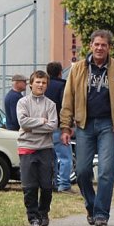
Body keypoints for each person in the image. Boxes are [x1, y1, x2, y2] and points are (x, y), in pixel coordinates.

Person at [60, 30, 114, 226]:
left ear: (109, 47)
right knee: (82, 171)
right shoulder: (78, 69)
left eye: (104, 45)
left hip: (108, 125)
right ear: (90, 46)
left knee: (106, 171)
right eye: (96, 44)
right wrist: (65, 127)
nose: (100, 48)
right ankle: (91, 205)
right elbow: (68, 99)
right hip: (84, 125)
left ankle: (101, 214)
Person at [16, 70, 57, 226]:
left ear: (47, 85)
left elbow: (52, 126)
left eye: (44, 83)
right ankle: (33, 217)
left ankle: (43, 212)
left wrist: (32, 128)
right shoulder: (23, 103)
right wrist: (41, 121)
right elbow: (23, 122)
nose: (40, 85)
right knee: (29, 185)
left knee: (46, 185)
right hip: (27, 147)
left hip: (45, 148)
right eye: (38, 82)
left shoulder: (51, 105)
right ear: (31, 84)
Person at [46, 61, 73, 192]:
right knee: (65, 157)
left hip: (45, 127)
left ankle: (52, 183)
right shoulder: (63, 86)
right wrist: (67, 126)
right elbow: (65, 106)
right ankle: (64, 184)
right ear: (60, 72)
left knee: (50, 157)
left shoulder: (43, 86)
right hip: (58, 126)